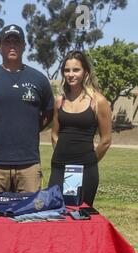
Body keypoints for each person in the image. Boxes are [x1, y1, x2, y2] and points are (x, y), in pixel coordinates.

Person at [0, 24, 54, 196]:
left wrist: (34, 127)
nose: (12, 45)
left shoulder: (39, 79)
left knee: (29, 217)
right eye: (7, 42)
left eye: (16, 41)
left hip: (29, 164)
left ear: (24, 46)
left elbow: (49, 112)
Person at [48, 50, 112, 206]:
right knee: (55, 213)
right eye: (66, 70)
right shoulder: (59, 101)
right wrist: (63, 155)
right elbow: (54, 134)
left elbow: (105, 141)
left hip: (86, 170)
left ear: (86, 72)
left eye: (76, 70)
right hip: (59, 168)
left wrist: (88, 161)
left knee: (80, 215)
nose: (70, 74)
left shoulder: (98, 101)